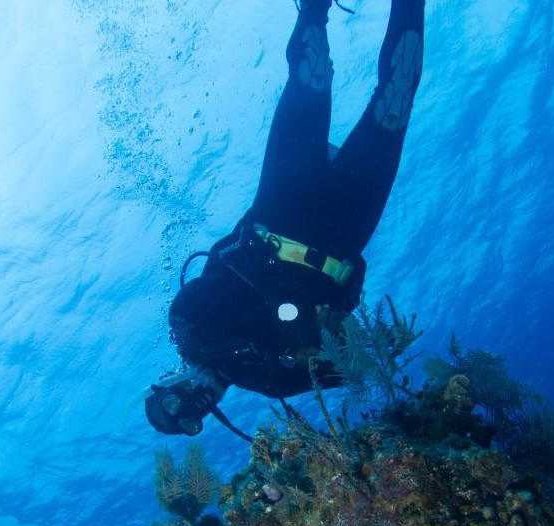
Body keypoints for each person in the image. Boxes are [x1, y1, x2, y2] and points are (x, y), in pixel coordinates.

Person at [146, 0, 425, 437]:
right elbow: (358, 365)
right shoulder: (269, 381)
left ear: (166, 380)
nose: (193, 401)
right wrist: (364, 343)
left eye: (173, 398)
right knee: (399, 93)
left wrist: (297, 334)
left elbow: (216, 298)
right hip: (344, 236)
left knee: (312, 77)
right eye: (191, 418)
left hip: (282, 209)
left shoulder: (189, 325)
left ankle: (313, 9)